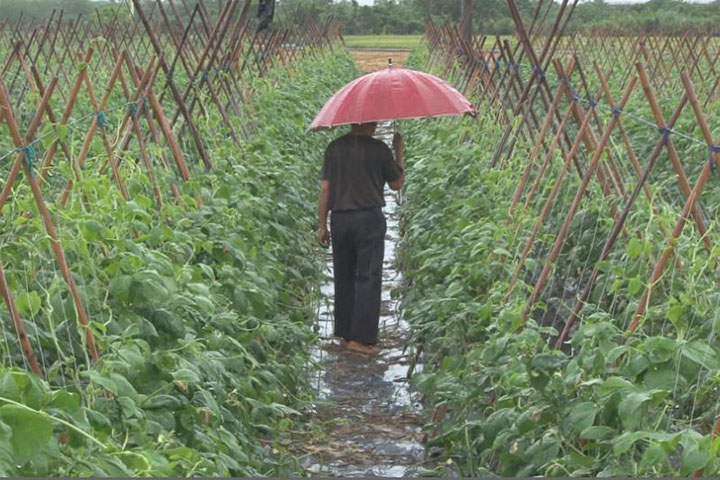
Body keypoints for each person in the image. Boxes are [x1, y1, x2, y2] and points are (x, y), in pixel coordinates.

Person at [316, 122, 404, 355]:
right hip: (369, 219)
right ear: (370, 123)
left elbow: (325, 188)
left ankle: (345, 332)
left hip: (341, 220)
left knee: (343, 275)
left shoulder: (334, 148)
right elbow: (396, 184)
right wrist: (399, 152)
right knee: (368, 276)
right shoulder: (380, 150)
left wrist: (321, 225)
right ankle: (361, 338)